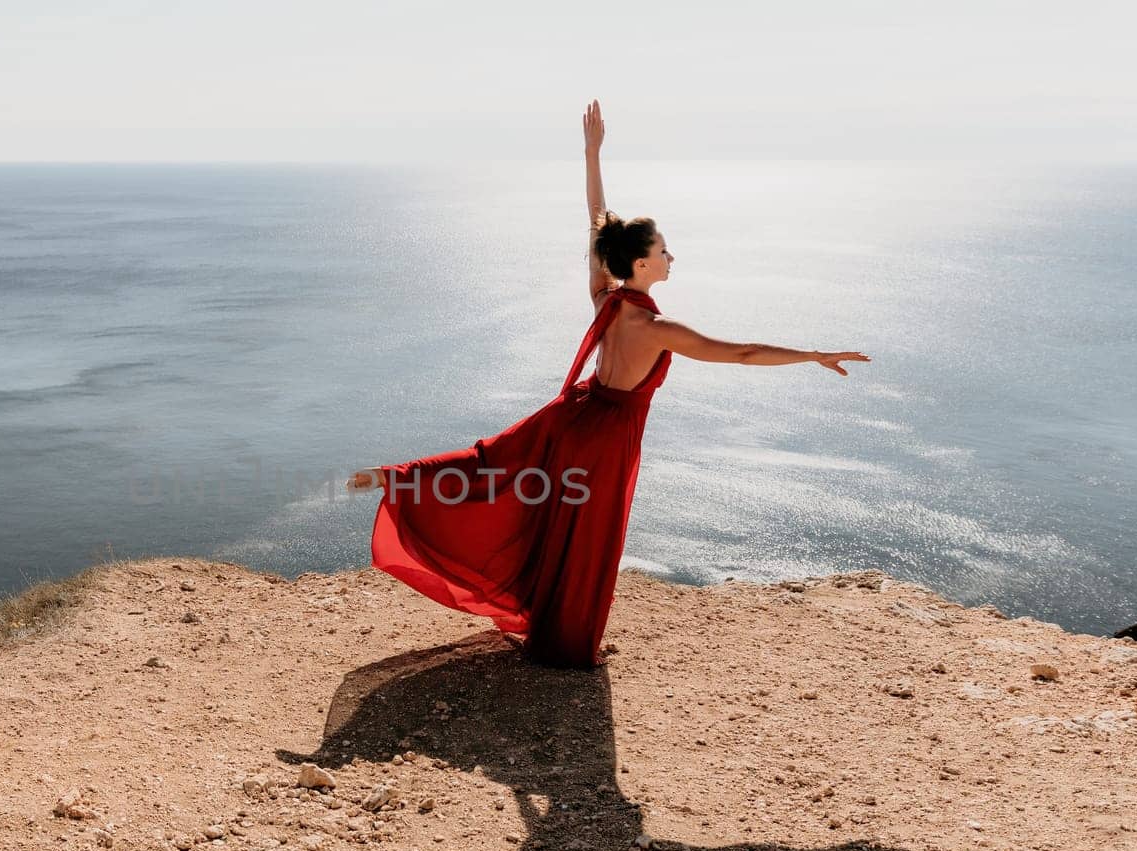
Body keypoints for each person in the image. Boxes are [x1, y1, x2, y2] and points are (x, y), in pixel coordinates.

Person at [348, 99, 870, 669]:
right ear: (641, 264)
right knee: (588, 538)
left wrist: (592, 154)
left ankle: (398, 479)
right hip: (607, 439)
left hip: (571, 415)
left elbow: (598, 222)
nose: (671, 256)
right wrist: (812, 355)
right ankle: (565, 647)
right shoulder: (656, 327)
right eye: (663, 250)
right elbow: (741, 353)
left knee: (492, 465)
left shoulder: (606, 297)